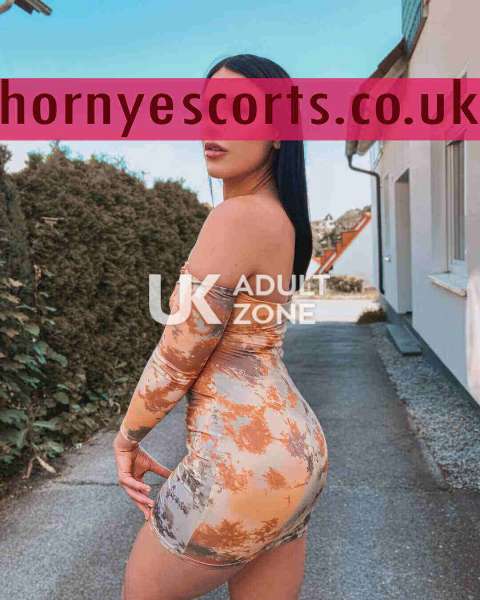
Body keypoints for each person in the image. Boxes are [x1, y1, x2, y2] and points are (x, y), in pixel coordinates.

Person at [113, 53, 329, 600]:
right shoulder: (281, 219)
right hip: (297, 455)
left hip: (240, 464)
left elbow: (179, 352)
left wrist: (128, 436)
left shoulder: (236, 216)